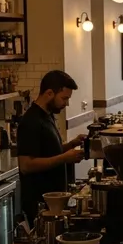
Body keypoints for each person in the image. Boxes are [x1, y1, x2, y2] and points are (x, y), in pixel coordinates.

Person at [17, 69, 85, 224]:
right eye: (64, 98)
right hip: (40, 206)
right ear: (49, 93)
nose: (66, 103)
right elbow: (26, 165)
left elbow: (48, 152)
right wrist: (64, 158)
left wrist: (71, 145)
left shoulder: (47, 116)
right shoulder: (30, 121)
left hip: (54, 202)